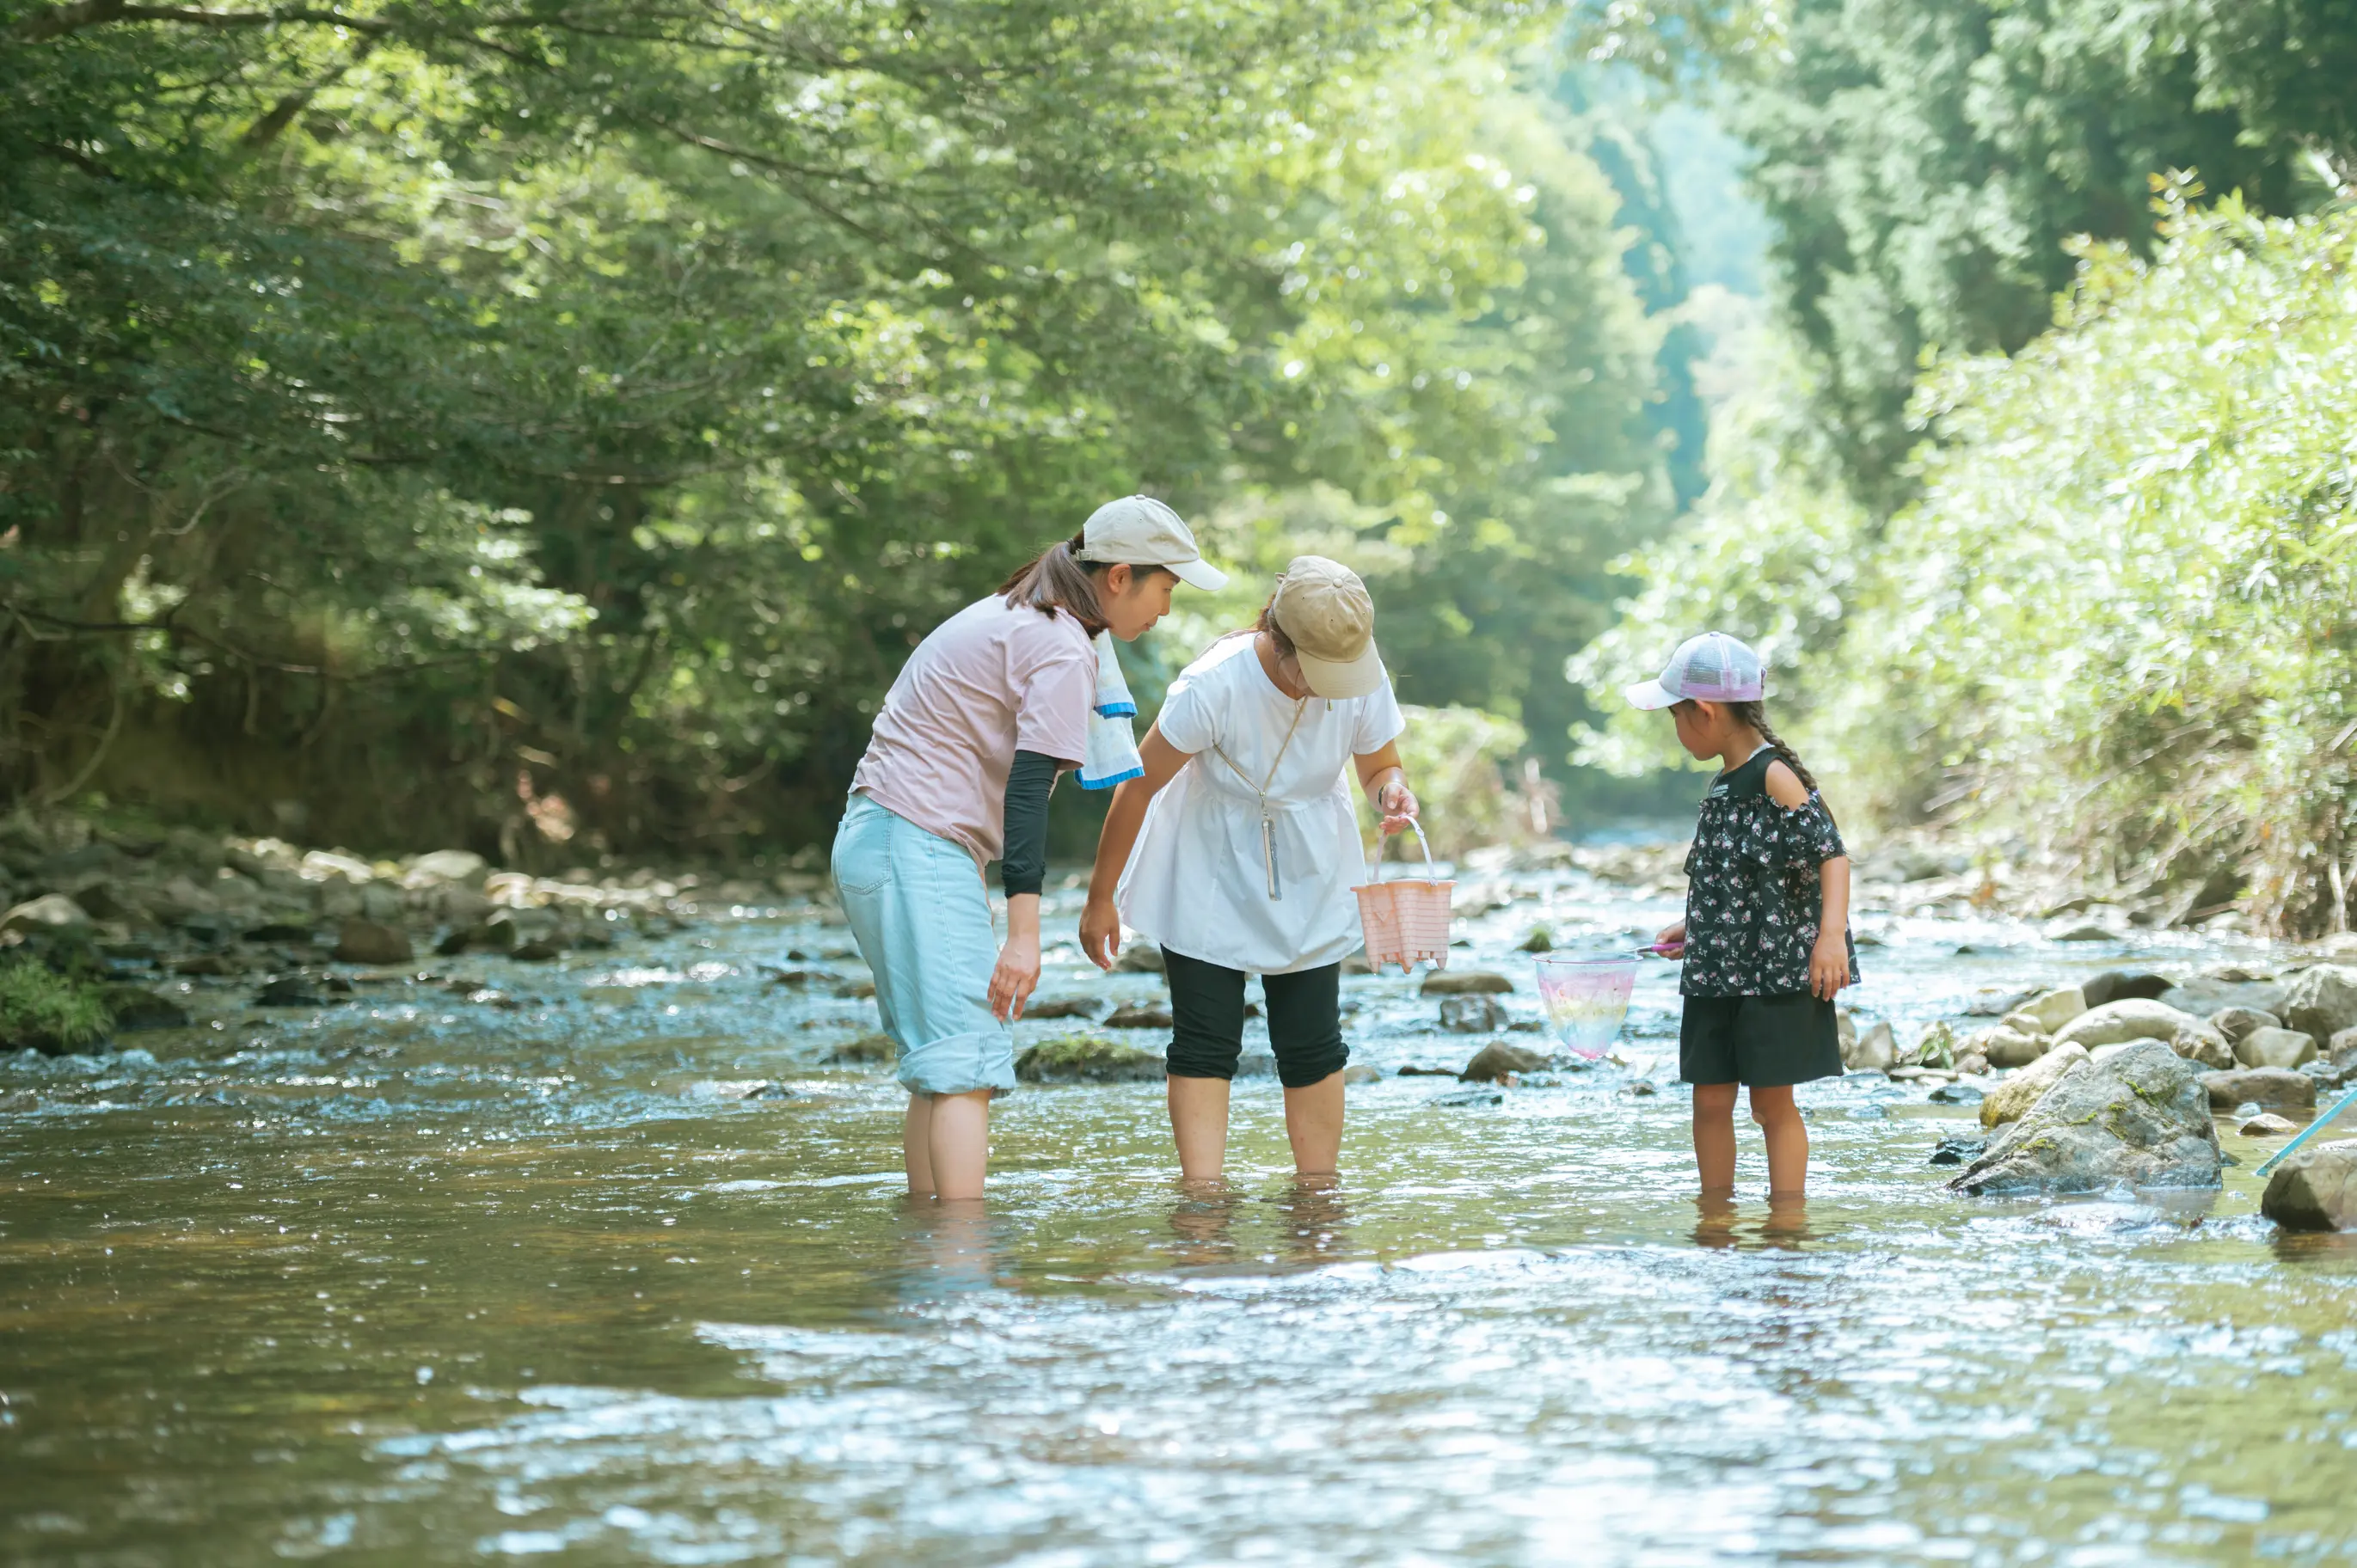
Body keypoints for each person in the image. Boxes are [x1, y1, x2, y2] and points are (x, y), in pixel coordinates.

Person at [833, 496, 1226, 1202]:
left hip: (881, 839)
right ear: (1119, 577)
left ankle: (931, 1257)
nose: (1165, 609)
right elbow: (1025, 790)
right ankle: (963, 1270)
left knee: (938, 1063)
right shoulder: (1059, 644)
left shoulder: (1017, 613)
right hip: (916, 844)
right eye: (1165, 589)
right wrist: (1023, 935)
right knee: (966, 1064)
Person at [1081, 556, 1417, 1184]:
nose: (1326, 687)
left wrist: (1391, 792)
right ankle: (1202, 1201)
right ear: (1277, 638)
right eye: (1315, 673)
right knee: (1206, 1038)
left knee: (1312, 1039)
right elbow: (1138, 788)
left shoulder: (1359, 673)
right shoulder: (1212, 685)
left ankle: (1317, 1198)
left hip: (1312, 854)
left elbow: (1378, 767)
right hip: (1206, 854)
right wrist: (1101, 898)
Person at [1632, 631, 1856, 1200]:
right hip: (1717, 970)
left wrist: (1830, 939)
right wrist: (1699, 925)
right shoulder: (1723, 785)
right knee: (1708, 1097)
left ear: (1703, 713)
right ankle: (1716, 1213)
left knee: (1770, 1103)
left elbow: (1830, 855)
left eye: (1675, 718)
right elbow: (1740, 874)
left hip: (1774, 973)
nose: (1676, 733)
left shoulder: (1772, 775)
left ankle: (1785, 1218)